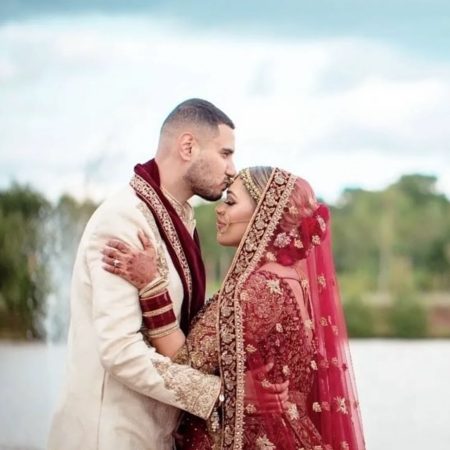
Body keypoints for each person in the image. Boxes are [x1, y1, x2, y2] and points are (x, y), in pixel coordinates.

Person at [103, 166, 366, 449]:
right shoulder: (292, 279)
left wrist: (152, 285)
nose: (219, 210)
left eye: (230, 201)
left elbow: (184, 362)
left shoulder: (259, 289)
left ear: (264, 216)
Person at [48, 98, 241, 450]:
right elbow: (120, 350)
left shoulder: (175, 215)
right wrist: (213, 393)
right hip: (110, 434)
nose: (232, 169)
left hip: (152, 433)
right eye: (225, 153)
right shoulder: (125, 220)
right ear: (188, 146)